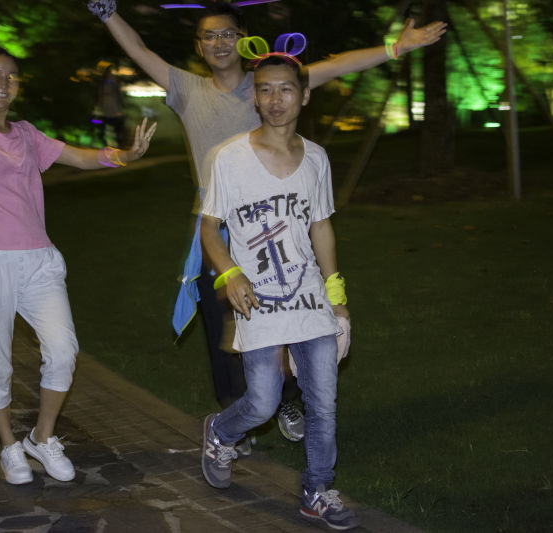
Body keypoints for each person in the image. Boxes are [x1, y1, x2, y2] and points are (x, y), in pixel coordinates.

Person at [87, 0, 446, 447]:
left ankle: (286, 399)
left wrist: (397, 47)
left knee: (289, 311)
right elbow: (139, 51)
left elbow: (335, 66)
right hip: (218, 226)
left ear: (243, 39)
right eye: (209, 36)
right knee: (224, 319)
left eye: (228, 33)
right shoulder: (187, 88)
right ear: (199, 46)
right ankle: (235, 412)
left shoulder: (267, 83)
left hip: (275, 226)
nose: (219, 43)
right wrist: (107, 12)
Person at [0, 39, 156, 485]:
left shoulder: (27, 133)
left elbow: (79, 157)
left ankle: (41, 437)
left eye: (11, 76)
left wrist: (123, 155)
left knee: (63, 351)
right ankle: (9, 445)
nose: (3, 82)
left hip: (39, 261)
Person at [200, 52, 358, 530]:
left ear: (304, 96)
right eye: (264, 89)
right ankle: (220, 431)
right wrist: (230, 274)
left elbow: (321, 226)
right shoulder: (229, 158)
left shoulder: (317, 158)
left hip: (309, 297)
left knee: (322, 401)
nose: (274, 99)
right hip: (258, 300)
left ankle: (317, 490)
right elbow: (209, 228)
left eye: (285, 89)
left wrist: (336, 296)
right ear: (254, 97)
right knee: (263, 403)